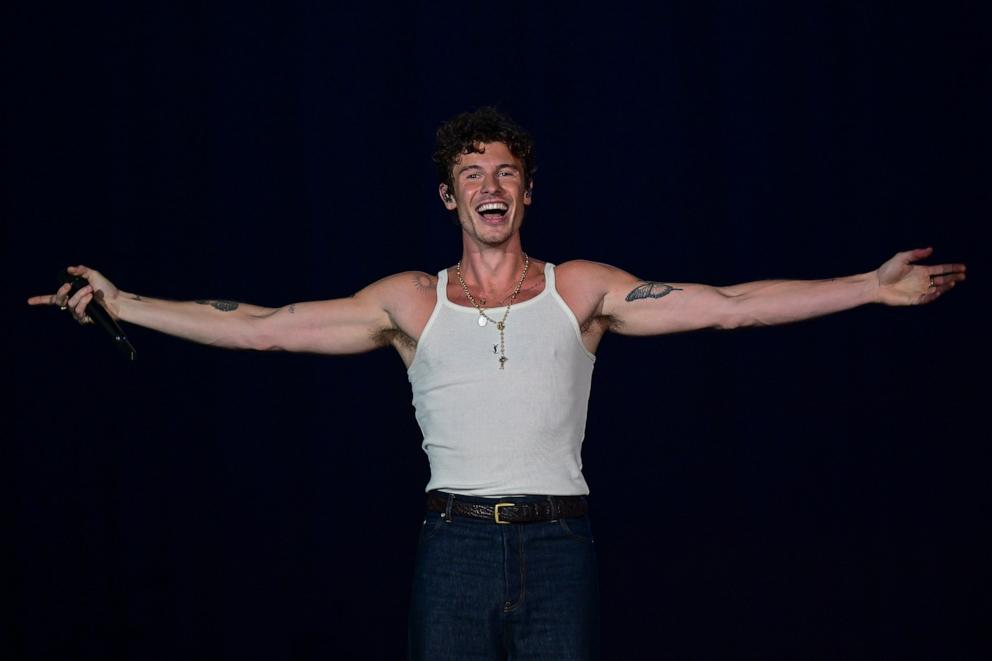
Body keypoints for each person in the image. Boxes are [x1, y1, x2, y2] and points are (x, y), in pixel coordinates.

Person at [29, 107, 965, 660]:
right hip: (454, 550)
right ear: (449, 196)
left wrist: (870, 289)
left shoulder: (584, 290)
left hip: (562, 546)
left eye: (506, 171)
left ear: (525, 193)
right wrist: (129, 299)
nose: (490, 184)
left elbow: (727, 304)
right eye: (471, 172)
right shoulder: (409, 301)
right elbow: (268, 329)